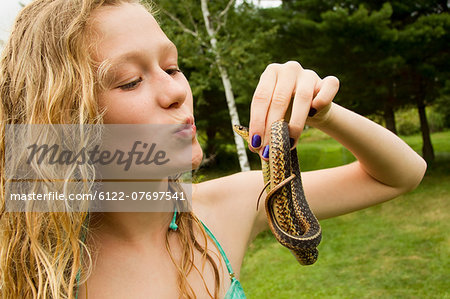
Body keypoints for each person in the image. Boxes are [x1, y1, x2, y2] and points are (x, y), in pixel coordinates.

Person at [0, 0, 427, 298]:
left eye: (172, 67)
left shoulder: (227, 207)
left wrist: (321, 112)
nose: (176, 92)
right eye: (131, 80)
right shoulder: (30, 259)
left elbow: (401, 174)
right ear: (62, 118)